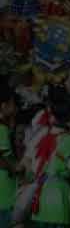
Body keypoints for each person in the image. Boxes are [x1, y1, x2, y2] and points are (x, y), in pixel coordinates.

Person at [24, 91, 70, 227]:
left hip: (38, 198)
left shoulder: (38, 136)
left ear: (52, 115)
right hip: (60, 198)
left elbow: (27, 163)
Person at [0, 84, 17, 226]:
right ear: (3, 106)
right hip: (5, 191)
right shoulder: (1, 129)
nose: (15, 108)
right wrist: (14, 170)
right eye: (13, 103)